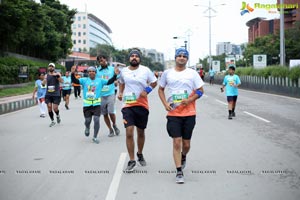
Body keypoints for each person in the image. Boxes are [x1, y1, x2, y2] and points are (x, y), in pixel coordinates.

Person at [158, 48, 204, 184]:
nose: (182, 58)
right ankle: (179, 171)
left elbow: (201, 91)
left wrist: (190, 100)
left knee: (186, 144)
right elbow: (160, 89)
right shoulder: (167, 73)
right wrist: (165, 103)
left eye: (184, 56)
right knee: (176, 142)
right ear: (175, 58)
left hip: (189, 113)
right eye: (179, 55)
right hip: (173, 113)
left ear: (187, 59)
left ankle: (183, 156)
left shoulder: (193, 74)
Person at [118, 49, 157, 172]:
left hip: (142, 105)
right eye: (132, 56)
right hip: (127, 105)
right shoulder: (124, 71)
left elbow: (154, 82)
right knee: (129, 132)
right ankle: (131, 160)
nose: (134, 58)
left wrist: (147, 91)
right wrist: (120, 92)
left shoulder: (145, 70)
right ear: (129, 58)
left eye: (136, 56)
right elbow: (121, 82)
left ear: (140, 59)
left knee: (140, 132)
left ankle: (140, 153)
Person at [71, 66, 119, 144]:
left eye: (93, 71)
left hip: (96, 104)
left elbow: (109, 82)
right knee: (88, 120)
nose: (91, 72)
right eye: (89, 71)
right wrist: (72, 74)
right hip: (87, 105)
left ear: (95, 73)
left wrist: (115, 75)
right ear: (88, 73)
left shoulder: (100, 80)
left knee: (96, 120)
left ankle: (95, 137)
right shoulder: (84, 80)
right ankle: (87, 127)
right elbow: (75, 81)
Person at [96, 54, 120, 137]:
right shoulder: (97, 71)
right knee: (105, 114)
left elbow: (118, 77)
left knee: (111, 111)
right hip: (101, 95)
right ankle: (110, 129)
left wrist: (117, 81)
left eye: (102, 60)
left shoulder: (112, 69)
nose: (101, 62)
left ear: (105, 60)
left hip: (110, 93)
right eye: (99, 61)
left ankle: (114, 125)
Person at [42, 63, 63, 127]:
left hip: (56, 94)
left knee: (55, 108)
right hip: (48, 94)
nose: (51, 67)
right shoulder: (46, 75)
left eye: (52, 66)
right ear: (48, 68)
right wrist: (44, 80)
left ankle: (57, 115)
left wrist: (58, 76)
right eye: (50, 66)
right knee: (49, 107)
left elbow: (61, 81)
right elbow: (43, 84)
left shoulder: (57, 74)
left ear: (54, 68)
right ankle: (52, 121)